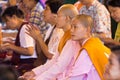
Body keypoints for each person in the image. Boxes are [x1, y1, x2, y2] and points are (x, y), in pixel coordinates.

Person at [19, 4, 80, 80]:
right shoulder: (65, 36)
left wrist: (38, 78)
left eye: (58, 16)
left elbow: (60, 66)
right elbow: (54, 60)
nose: (56, 18)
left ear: (67, 18)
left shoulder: (72, 39)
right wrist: (34, 73)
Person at [69, 14, 111, 80]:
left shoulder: (87, 50)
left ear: (87, 30)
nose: (71, 30)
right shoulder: (96, 43)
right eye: (71, 27)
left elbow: (75, 78)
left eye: (75, 27)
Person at [1, 6, 37, 75]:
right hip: (24, 62)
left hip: (28, 64)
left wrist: (10, 46)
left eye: (7, 21)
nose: (6, 24)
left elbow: (29, 51)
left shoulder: (25, 28)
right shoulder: (22, 27)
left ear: (14, 17)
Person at [27, 0, 64, 66]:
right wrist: (37, 39)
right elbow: (41, 53)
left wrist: (39, 38)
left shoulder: (61, 32)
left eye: (46, 9)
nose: (43, 11)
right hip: (44, 66)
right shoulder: (51, 28)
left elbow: (51, 56)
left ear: (55, 14)